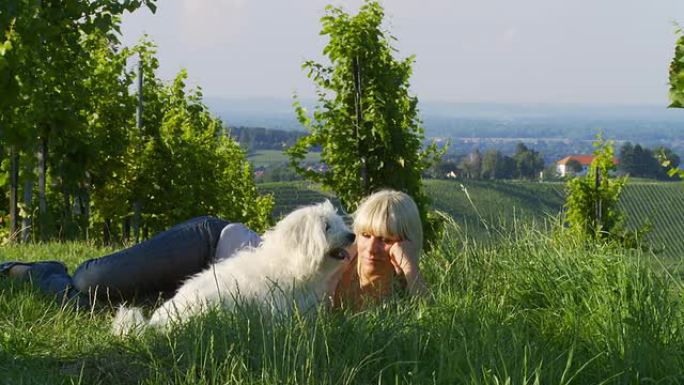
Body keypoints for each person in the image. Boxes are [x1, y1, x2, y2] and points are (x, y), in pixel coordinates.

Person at [0, 189, 426, 310]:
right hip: (210, 247)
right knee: (90, 283)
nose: (370, 246)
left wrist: (413, 273)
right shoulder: (339, 253)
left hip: (216, 295)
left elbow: (428, 315)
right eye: (366, 232)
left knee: (106, 308)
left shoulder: (398, 300)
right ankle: (36, 270)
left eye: (389, 239)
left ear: (406, 243)